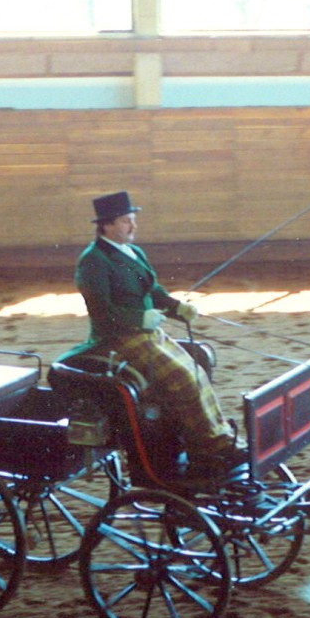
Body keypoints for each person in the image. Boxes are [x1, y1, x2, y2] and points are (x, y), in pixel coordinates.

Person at [64, 190, 247, 479]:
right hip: (117, 339)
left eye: (133, 220)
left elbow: (153, 291)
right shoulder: (94, 261)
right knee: (181, 378)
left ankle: (219, 438)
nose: (133, 227)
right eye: (126, 221)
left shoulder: (134, 253)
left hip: (148, 334)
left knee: (195, 370)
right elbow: (100, 310)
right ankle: (211, 447)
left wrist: (177, 308)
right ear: (107, 225)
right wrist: (140, 317)